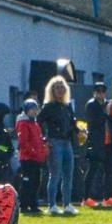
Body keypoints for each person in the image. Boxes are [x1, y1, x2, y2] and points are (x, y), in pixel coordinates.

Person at [39, 76, 78, 215]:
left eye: (62, 87)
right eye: (57, 87)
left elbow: (73, 124)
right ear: (52, 90)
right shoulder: (48, 106)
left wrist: (79, 131)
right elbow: (39, 122)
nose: (60, 90)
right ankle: (52, 205)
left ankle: (67, 204)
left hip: (67, 142)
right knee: (55, 174)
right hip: (54, 142)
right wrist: (44, 138)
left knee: (68, 174)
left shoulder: (67, 106)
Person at [14, 98, 47, 214]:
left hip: (36, 158)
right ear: (26, 110)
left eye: (35, 109)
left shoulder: (35, 124)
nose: (34, 111)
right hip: (28, 159)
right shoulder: (23, 124)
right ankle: (23, 204)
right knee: (27, 182)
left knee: (36, 182)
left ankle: (33, 204)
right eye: (32, 109)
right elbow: (23, 142)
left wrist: (42, 153)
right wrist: (33, 152)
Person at [81, 80, 110, 207]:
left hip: (107, 141)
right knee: (92, 169)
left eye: (103, 91)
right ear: (94, 93)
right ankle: (86, 197)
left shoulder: (107, 104)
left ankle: (107, 197)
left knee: (107, 170)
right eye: (98, 91)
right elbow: (95, 122)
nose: (101, 94)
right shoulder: (91, 105)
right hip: (95, 141)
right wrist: (106, 113)